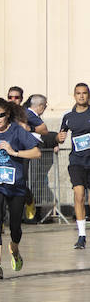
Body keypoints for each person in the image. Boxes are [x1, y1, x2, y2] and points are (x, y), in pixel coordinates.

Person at [0, 98, 41, 278]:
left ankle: (14, 250)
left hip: (15, 185)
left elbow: (36, 152)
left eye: (0, 115)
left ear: (7, 114)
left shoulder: (17, 131)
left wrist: (14, 152)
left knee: (15, 226)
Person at [57, 82, 90, 249]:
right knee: (79, 195)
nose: (81, 96)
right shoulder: (68, 116)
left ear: (88, 95)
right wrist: (59, 139)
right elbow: (61, 135)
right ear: (74, 95)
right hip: (76, 161)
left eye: (84, 93)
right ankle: (81, 235)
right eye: (78, 93)